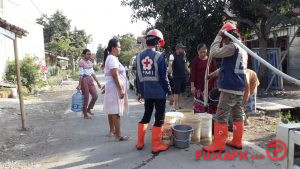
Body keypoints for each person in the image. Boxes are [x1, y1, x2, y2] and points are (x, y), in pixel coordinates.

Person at [203, 23, 248, 152]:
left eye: (223, 39)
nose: (222, 42)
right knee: (237, 114)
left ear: (227, 37)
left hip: (229, 88)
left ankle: (218, 144)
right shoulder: (242, 48)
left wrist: (218, 36)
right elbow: (228, 67)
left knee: (221, 115)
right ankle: (237, 141)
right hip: (239, 87)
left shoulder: (232, 46)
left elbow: (213, 52)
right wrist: (213, 74)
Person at [135, 29, 174, 154]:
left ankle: (140, 143)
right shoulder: (159, 56)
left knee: (146, 115)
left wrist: (140, 92)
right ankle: (156, 145)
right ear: (157, 42)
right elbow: (164, 77)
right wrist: (170, 93)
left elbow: (138, 77)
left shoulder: (139, 56)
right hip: (159, 94)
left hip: (147, 93)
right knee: (159, 118)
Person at [103, 38, 129, 141]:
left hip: (112, 86)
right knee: (116, 112)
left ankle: (113, 131)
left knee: (112, 110)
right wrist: (120, 90)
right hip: (115, 88)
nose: (120, 49)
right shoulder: (112, 59)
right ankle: (118, 135)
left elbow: (110, 75)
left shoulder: (111, 58)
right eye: (118, 47)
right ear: (113, 48)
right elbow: (114, 74)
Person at [190, 43, 217, 113]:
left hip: (210, 87)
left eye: (204, 52)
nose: (203, 54)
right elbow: (192, 75)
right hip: (199, 88)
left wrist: (216, 85)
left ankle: (210, 121)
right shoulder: (195, 61)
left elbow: (215, 72)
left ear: (207, 51)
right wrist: (192, 86)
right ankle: (199, 121)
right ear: (198, 52)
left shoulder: (211, 60)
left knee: (211, 106)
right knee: (199, 108)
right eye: (201, 52)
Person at [77, 49, 101, 119]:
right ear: (84, 55)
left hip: (90, 79)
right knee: (86, 98)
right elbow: (81, 75)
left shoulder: (90, 62)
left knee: (95, 96)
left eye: (90, 54)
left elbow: (93, 73)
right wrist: (79, 84)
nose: (89, 55)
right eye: (88, 54)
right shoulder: (81, 62)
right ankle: (85, 114)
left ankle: (88, 109)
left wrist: (98, 82)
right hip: (84, 80)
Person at [168, 43, 190, 110]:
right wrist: (171, 73)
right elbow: (170, 64)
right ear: (178, 49)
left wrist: (189, 71)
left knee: (181, 91)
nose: (183, 49)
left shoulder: (183, 55)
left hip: (183, 76)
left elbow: (185, 65)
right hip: (176, 76)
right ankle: (175, 107)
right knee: (176, 92)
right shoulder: (172, 55)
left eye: (183, 48)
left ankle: (179, 106)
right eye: (182, 48)